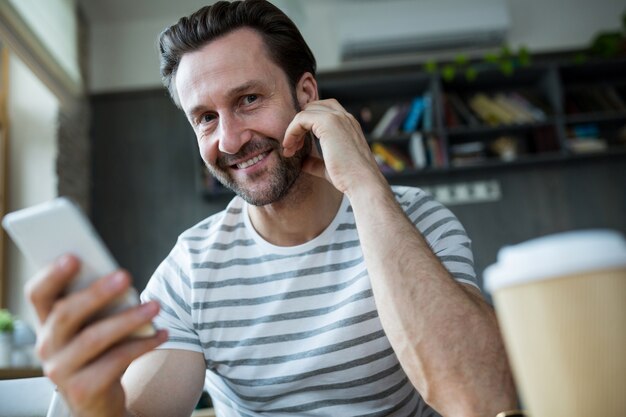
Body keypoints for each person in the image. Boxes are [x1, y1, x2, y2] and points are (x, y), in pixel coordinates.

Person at [27, 1, 517, 416]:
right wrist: (93, 399)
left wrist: (367, 187)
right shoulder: (193, 267)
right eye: (205, 118)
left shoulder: (418, 220)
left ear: (306, 95)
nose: (230, 138)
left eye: (248, 99)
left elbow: (479, 397)